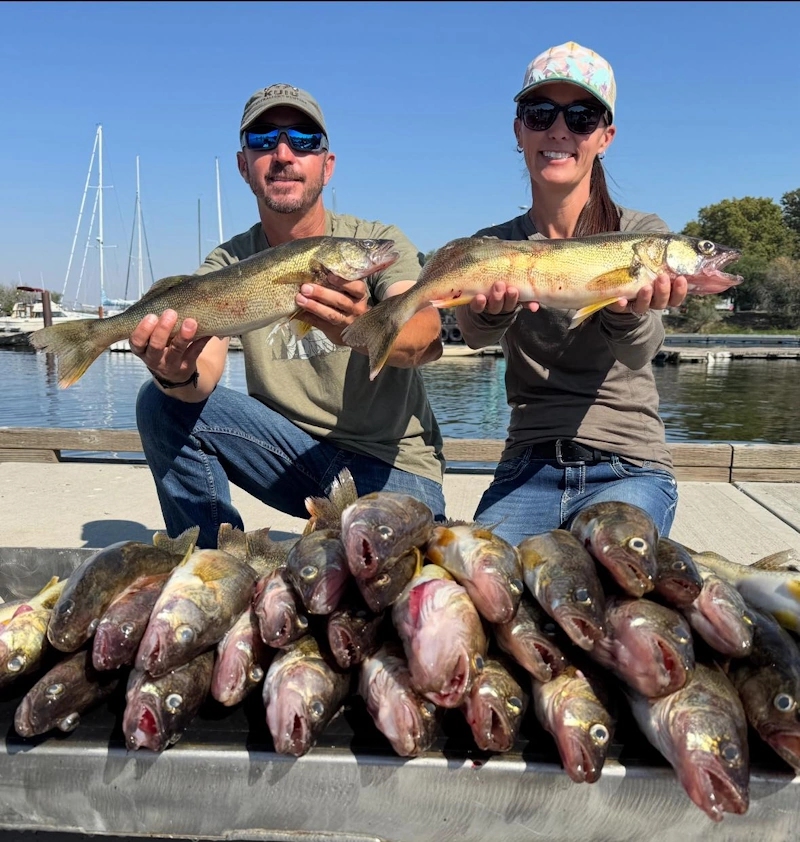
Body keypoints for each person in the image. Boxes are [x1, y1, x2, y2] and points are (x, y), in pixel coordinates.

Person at [132, 83, 445, 548]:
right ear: (243, 164)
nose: (283, 153)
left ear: (327, 164)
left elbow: (427, 336)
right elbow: (203, 377)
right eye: (263, 140)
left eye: (303, 140)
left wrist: (359, 327)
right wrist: (174, 375)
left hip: (396, 470)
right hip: (297, 464)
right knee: (160, 403)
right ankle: (214, 567)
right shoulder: (227, 263)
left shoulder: (373, 241)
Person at [455, 42, 688, 547]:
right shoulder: (493, 245)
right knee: (479, 587)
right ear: (519, 131)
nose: (559, 130)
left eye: (581, 117)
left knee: (607, 580)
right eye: (540, 114)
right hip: (526, 464)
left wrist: (627, 313)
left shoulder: (642, 234)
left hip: (630, 464)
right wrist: (488, 315)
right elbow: (472, 335)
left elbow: (639, 349)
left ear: (605, 136)